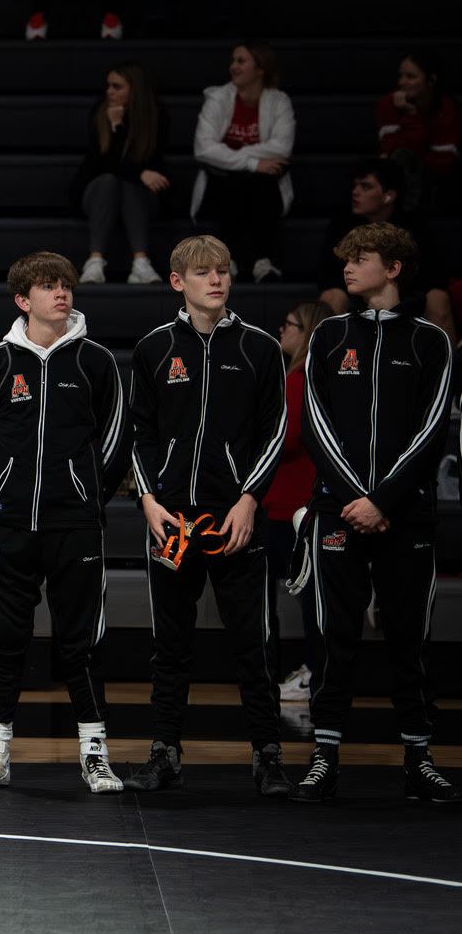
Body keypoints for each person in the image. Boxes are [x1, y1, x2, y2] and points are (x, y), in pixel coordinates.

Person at [292, 222, 455, 802]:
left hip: (404, 516)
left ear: (393, 268)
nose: (346, 268)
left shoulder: (429, 341)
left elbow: (434, 428)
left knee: (410, 637)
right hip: (338, 512)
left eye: (359, 259)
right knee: (334, 637)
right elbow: (314, 424)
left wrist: (381, 500)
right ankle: (324, 756)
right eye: (345, 259)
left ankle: (419, 757)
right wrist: (357, 499)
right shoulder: (331, 336)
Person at [125, 234, 291, 796]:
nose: (215, 279)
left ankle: (268, 755)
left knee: (254, 642)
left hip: (237, 519)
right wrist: (148, 501)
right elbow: (139, 435)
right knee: (169, 645)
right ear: (177, 282)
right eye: (202, 273)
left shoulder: (259, 348)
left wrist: (249, 500)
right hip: (170, 521)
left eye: (222, 270)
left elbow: (274, 431)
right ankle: (164, 752)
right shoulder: (152, 349)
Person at [0, 251, 129, 792]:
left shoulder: (95, 361)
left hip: (75, 526)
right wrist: (7, 494)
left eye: (66, 286)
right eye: (48, 286)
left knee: (81, 641)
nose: (61, 293)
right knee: (5, 638)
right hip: (8, 528)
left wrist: (83, 495)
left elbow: (115, 441)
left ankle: (94, 753)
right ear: (22, 299)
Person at [263, 300, 331, 702]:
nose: (281, 330)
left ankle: (312, 674)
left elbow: (284, 442)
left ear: (305, 332)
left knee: (305, 598)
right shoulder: (316, 377)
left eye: (288, 324)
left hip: (290, 508)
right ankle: (312, 671)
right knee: (311, 597)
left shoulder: (299, 379)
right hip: (301, 505)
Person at [317, 157, 454, 342]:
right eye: (355, 186)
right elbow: (328, 273)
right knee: (331, 295)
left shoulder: (413, 225)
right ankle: (328, 359)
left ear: (389, 195)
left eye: (365, 187)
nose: (355, 192)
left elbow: (432, 274)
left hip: (405, 289)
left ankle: (446, 363)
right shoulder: (342, 224)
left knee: (438, 298)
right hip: (354, 290)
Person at [191, 42, 294, 283]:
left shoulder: (279, 101)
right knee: (237, 181)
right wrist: (253, 162)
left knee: (258, 181)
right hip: (221, 184)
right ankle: (231, 262)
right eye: (233, 60)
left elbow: (282, 147)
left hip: (263, 185)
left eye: (241, 61)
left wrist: (230, 154)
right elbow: (203, 147)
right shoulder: (218, 97)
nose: (233, 66)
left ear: (260, 69)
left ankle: (262, 262)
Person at [73, 60, 170, 285]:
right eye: (108, 86)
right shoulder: (100, 114)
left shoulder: (156, 115)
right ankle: (95, 261)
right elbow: (100, 165)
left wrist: (137, 174)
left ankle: (140, 263)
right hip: (100, 193)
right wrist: (116, 129)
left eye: (117, 86)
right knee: (110, 181)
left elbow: (150, 159)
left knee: (130, 183)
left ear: (134, 90)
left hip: (141, 196)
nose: (109, 92)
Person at [376, 48, 458, 211]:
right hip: (398, 179)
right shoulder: (388, 103)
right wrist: (412, 116)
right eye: (401, 76)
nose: (402, 82)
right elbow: (394, 152)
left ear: (431, 80)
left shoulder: (446, 108)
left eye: (411, 76)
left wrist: (412, 118)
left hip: (434, 182)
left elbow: (443, 162)